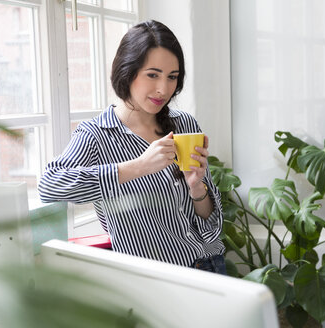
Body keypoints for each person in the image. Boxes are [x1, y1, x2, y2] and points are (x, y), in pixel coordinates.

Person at [38, 20, 226, 274]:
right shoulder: (95, 134)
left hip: (211, 267)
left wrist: (196, 187)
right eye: (152, 74)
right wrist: (139, 167)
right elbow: (50, 186)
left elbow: (211, 225)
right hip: (153, 280)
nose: (163, 89)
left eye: (172, 77)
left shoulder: (184, 124)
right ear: (128, 71)